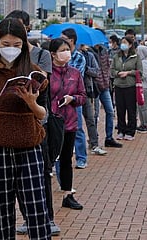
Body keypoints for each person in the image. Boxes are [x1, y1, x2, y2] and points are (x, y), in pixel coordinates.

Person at [0, 18, 51, 239]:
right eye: (6, 44)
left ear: (24, 44)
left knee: (36, 210)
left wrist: (31, 102)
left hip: (29, 146)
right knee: (1, 211)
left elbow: (44, 114)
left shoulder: (34, 73)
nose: (11, 49)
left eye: (17, 45)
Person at [4, 9, 59, 235]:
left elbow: (43, 83)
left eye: (18, 27)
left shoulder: (41, 54)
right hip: (12, 124)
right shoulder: (4, 56)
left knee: (42, 174)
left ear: (27, 28)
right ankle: (28, 218)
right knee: (17, 179)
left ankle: (48, 218)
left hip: (38, 122)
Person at [49, 38, 87, 210]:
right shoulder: (47, 73)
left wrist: (73, 99)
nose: (66, 53)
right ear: (53, 54)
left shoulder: (75, 73)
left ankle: (67, 195)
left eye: (67, 49)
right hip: (50, 123)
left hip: (69, 123)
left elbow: (83, 96)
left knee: (66, 160)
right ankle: (42, 198)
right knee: (47, 161)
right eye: (62, 50)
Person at [60, 28, 89, 173]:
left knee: (77, 129)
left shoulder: (79, 57)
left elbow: (74, 78)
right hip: (58, 99)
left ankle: (81, 158)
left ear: (71, 40)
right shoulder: (57, 56)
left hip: (73, 99)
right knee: (59, 129)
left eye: (63, 38)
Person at [78, 44, 108, 160]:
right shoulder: (69, 57)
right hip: (71, 93)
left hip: (86, 91)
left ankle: (94, 144)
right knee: (74, 122)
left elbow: (96, 71)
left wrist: (86, 69)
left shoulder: (89, 56)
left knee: (90, 118)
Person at [92, 43, 123, 148]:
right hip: (94, 87)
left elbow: (107, 68)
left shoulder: (104, 51)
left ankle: (109, 138)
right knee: (94, 115)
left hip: (105, 85)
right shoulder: (89, 53)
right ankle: (93, 140)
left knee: (110, 111)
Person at [110, 37, 142, 141]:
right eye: (121, 43)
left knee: (131, 110)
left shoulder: (136, 57)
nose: (122, 44)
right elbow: (112, 70)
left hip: (130, 86)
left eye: (125, 43)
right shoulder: (116, 57)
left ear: (130, 45)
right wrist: (118, 73)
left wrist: (128, 73)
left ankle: (130, 131)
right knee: (120, 110)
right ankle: (121, 130)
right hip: (119, 86)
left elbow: (140, 72)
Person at [136, 45, 147, 133]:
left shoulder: (143, 62)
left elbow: (143, 75)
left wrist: (134, 74)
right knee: (140, 107)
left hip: (146, 87)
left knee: (143, 107)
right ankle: (142, 124)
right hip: (142, 87)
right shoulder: (142, 61)